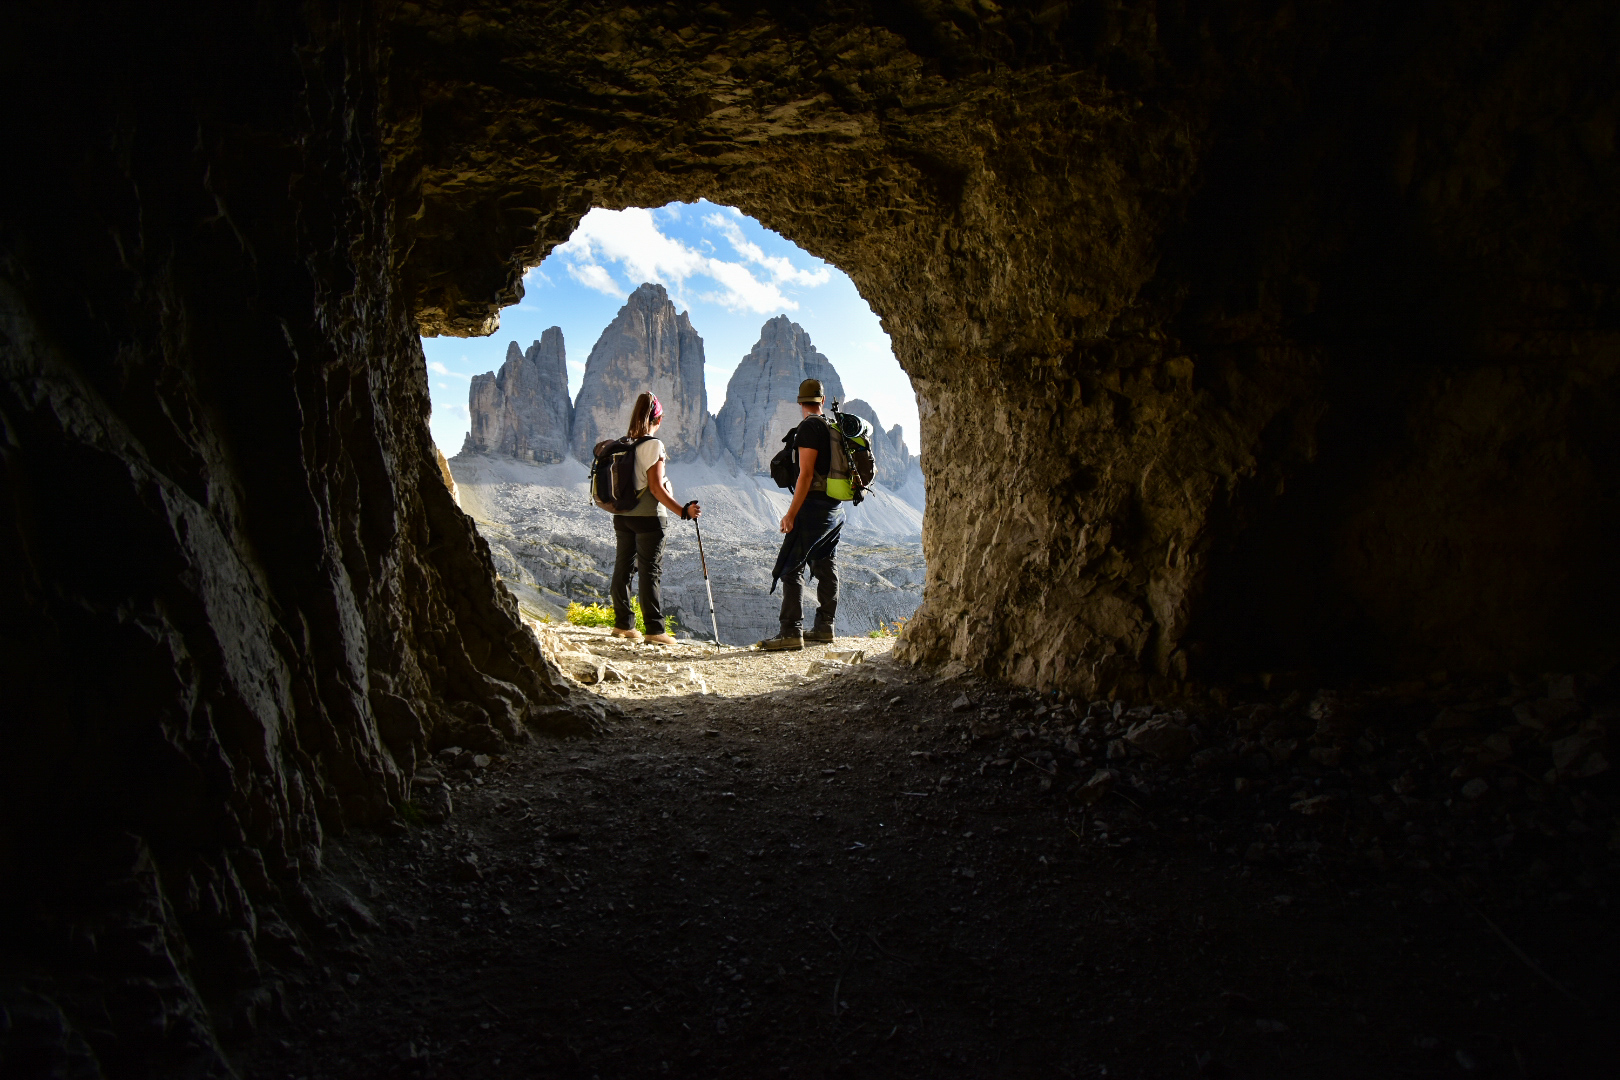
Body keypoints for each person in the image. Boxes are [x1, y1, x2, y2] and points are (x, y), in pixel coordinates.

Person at [610, 392, 701, 645]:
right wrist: (683, 511)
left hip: (622, 516)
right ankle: (654, 630)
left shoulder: (626, 443)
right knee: (650, 572)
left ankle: (623, 625)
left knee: (623, 568)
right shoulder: (653, 445)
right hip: (649, 518)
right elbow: (656, 488)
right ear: (656, 418)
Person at [760, 379, 842, 650]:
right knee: (825, 562)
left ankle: (791, 631)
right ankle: (824, 627)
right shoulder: (833, 426)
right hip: (834, 508)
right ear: (822, 399)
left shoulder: (809, 427)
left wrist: (790, 514)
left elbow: (806, 474)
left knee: (791, 566)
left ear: (800, 402)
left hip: (813, 506)